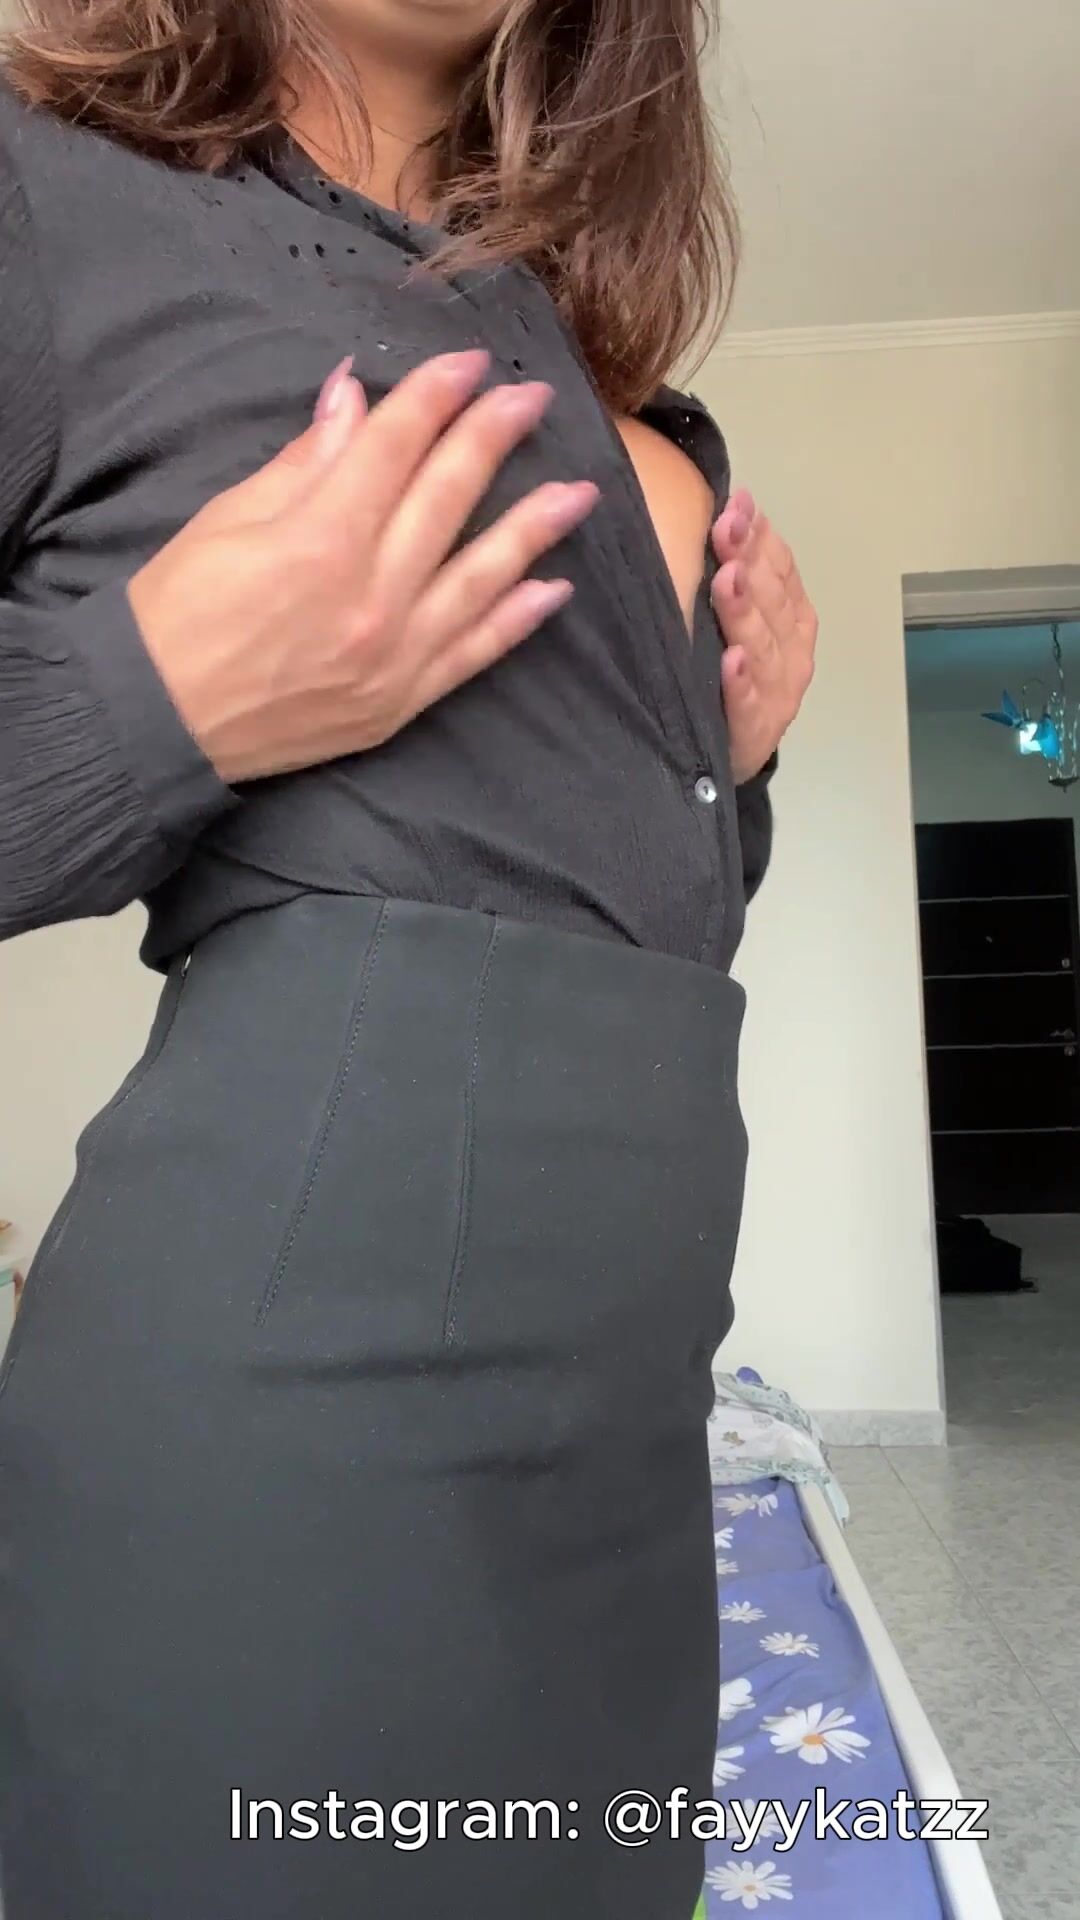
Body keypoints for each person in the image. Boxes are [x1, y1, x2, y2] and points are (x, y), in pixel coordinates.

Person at [0, 2, 817, 1914]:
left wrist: (740, 763)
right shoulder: (41, 199)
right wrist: (158, 700)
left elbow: (593, 890)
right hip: (289, 1425)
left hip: (631, 1433)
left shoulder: (585, 351)